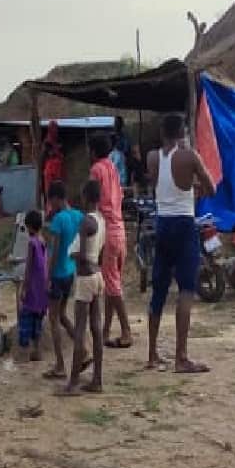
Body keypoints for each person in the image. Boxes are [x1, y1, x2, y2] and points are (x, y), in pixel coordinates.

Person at [145, 113, 215, 374]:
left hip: (162, 224)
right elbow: (212, 189)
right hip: (184, 224)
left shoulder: (153, 158)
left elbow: (158, 185)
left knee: (159, 289)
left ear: (163, 133)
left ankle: (152, 355)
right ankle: (181, 357)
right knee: (186, 288)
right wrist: (194, 185)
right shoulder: (190, 156)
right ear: (183, 131)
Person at [89, 135, 133, 350]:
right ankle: (106, 330)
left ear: (93, 152)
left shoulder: (97, 170)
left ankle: (126, 331)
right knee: (111, 283)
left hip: (107, 231)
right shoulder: (113, 168)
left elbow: (93, 200)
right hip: (120, 228)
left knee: (112, 286)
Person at [61, 180, 105, 395]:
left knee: (80, 330)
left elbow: (82, 255)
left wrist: (72, 254)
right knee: (96, 328)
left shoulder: (86, 222)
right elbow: (99, 253)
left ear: (86, 196)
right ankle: (97, 379)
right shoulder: (101, 220)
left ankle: (73, 383)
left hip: (85, 277)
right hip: (97, 276)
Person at [42, 181, 82, 380]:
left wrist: (47, 277)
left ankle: (59, 365)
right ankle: (82, 348)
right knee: (64, 315)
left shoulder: (59, 220)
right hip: (70, 271)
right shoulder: (78, 216)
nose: (51, 205)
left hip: (57, 274)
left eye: (51, 201)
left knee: (54, 320)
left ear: (57, 199)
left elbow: (54, 251)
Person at [17, 210, 49, 363]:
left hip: (33, 286)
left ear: (29, 226)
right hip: (42, 287)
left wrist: (23, 288)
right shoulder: (43, 240)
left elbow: (29, 267)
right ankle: (37, 351)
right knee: (38, 320)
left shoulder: (32, 243)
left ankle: (24, 353)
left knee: (25, 318)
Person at [42, 122, 65, 217]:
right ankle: (50, 211)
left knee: (58, 190)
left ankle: (58, 210)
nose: (55, 130)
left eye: (56, 128)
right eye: (53, 128)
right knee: (50, 191)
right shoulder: (47, 141)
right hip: (50, 169)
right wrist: (55, 152)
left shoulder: (57, 140)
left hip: (57, 169)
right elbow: (45, 154)